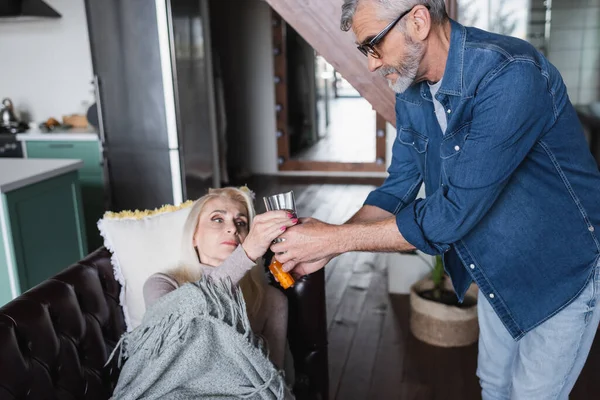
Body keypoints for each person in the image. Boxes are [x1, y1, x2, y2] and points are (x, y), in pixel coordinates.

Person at [271, 1, 600, 399]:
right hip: (496, 265)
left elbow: (451, 216)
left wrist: (332, 239)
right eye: (364, 50)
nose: (372, 64)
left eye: (374, 44)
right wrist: (331, 243)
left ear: (419, 20)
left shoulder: (510, 74)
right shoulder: (412, 90)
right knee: (494, 386)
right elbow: (399, 186)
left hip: (560, 270)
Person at [143, 187, 298, 370]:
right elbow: (172, 340)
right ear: (193, 235)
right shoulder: (163, 283)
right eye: (218, 219)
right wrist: (245, 254)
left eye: (241, 222)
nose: (233, 228)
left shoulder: (270, 299)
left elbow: (274, 378)